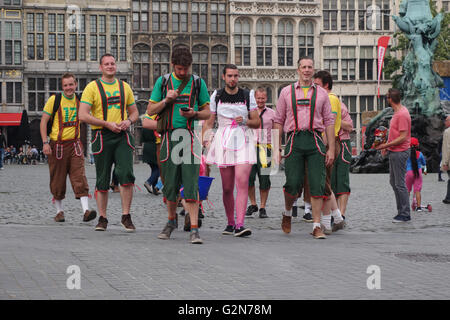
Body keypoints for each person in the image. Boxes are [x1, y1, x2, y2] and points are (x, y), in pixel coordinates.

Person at [147, 47, 211, 244]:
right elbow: (150, 110)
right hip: (168, 137)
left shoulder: (198, 83)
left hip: (189, 137)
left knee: (191, 183)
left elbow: (207, 113)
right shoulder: (163, 82)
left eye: (186, 69)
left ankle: (194, 228)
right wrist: (167, 99)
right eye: (179, 69)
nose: (183, 72)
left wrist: (194, 114)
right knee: (170, 184)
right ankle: (171, 221)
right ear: (173, 65)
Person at [274, 57, 335, 239]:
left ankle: (316, 226)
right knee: (292, 183)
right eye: (304, 67)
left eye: (310, 67)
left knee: (317, 183)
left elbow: (329, 122)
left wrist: (331, 148)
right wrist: (277, 148)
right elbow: (278, 120)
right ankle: (287, 212)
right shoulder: (286, 92)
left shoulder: (322, 94)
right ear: (298, 70)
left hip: (315, 139)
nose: (307, 70)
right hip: (294, 139)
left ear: (313, 70)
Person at [79, 53, 139, 232]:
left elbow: (135, 112)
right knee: (102, 178)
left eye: (113, 63)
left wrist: (128, 121)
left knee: (126, 175)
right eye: (107, 64)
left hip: (122, 136)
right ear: (101, 67)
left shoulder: (124, 87)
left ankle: (126, 216)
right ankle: (103, 217)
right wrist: (106, 123)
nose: (110, 66)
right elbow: (83, 115)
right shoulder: (92, 87)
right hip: (102, 136)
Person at [204, 64, 260, 237]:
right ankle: (230, 223)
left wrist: (244, 120)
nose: (233, 79)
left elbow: (257, 122)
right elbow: (209, 120)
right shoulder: (217, 95)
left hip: (243, 140)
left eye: (236, 76)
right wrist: (206, 138)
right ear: (224, 77)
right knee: (227, 187)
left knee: (242, 183)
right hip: (223, 140)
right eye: (230, 76)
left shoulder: (247, 95)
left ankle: (240, 224)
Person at [39, 72, 97, 223]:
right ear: (62, 86)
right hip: (57, 145)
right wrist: (45, 142)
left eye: (71, 84)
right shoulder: (54, 100)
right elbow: (43, 121)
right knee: (57, 179)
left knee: (80, 176)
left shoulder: (80, 101)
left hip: (75, 144)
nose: (68, 88)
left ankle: (86, 211)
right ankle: (59, 212)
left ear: (76, 84)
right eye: (65, 85)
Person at [312, 70, 346, 234]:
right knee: (324, 182)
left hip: (327, 143)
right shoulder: (327, 98)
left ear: (326, 85)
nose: (314, 88)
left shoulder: (330, 99)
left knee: (323, 183)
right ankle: (337, 218)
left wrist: (323, 145)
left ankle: (326, 222)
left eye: (317, 85)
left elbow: (329, 125)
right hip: (326, 143)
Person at [376, 88, 412, 222]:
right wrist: (387, 145)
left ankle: (405, 213)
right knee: (394, 182)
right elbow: (395, 133)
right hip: (394, 150)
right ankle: (401, 211)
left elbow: (403, 137)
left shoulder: (402, 114)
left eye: (387, 97)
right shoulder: (398, 112)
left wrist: (385, 145)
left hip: (400, 151)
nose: (386, 100)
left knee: (399, 183)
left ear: (390, 99)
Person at [246, 87, 276, 219]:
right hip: (250, 147)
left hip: (265, 147)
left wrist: (276, 150)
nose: (260, 100)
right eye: (258, 98)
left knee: (264, 179)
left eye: (263, 98)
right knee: (248, 178)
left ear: (266, 99)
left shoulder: (272, 113)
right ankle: (253, 204)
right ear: (254, 98)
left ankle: (263, 206)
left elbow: (276, 132)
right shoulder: (248, 113)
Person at [331, 100, 353, 219]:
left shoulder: (340, 106)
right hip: (327, 144)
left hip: (342, 143)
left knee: (342, 179)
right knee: (330, 181)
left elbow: (349, 126)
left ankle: (341, 213)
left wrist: (335, 119)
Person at [406, 137, 427, 211]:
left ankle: (406, 207)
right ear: (417, 145)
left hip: (408, 173)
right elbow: (424, 164)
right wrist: (425, 170)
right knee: (417, 190)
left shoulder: (406, 154)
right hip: (418, 173)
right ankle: (418, 207)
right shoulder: (420, 154)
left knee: (407, 190)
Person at [142, 120, 161, 196]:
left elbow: (142, 138)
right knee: (160, 168)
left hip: (147, 147)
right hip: (155, 147)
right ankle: (148, 182)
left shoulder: (146, 124)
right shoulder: (155, 124)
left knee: (154, 169)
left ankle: (155, 189)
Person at [441, 115, 450, 204]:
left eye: (446, 120)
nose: (445, 122)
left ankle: (448, 197)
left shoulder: (447, 132)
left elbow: (447, 148)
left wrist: (445, 162)